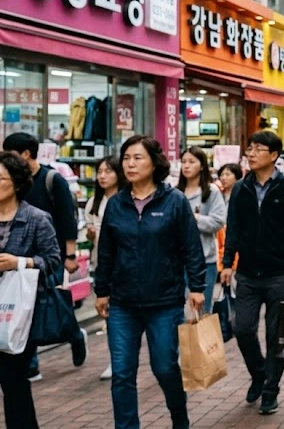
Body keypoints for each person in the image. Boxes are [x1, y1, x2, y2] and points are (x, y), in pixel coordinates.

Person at [93, 136, 206, 429]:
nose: (130, 164)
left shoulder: (174, 202)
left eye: (137, 158)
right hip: (122, 303)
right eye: (126, 158)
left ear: (154, 162)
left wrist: (196, 288)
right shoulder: (116, 205)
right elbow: (106, 251)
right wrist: (101, 290)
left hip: (164, 301)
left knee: (165, 367)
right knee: (122, 373)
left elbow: (191, 248)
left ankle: (179, 416)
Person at [221, 131, 284, 416]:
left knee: (277, 336)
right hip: (247, 272)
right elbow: (232, 227)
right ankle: (259, 374)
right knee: (242, 328)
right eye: (250, 148)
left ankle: (270, 390)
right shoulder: (240, 188)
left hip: (280, 273)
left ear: (274, 155)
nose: (251, 153)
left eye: (258, 149)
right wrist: (226, 263)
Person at [2, 132, 87, 380]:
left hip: (49, 256)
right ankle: (30, 364)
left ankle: (72, 334)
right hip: (13, 262)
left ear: (25, 154)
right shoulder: (11, 186)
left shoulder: (52, 179)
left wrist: (70, 254)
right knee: (22, 309)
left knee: (45, 305)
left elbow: (66, 219)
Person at [0, 151, 62, 429]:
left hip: (19, 313)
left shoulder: (37, 218)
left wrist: (20, 262)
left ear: (16, 182)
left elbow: (52, 261)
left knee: (13, 380)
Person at [84, 156, 128, 381]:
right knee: (111, 315)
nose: (102, 176)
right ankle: (116, 360)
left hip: (126, 265)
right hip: (102, 263)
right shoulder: (93, 203)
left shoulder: (127, 199)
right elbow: (90, 236)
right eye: (99, 171)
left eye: (107, 171)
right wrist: (91, 235)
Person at [177, 147, 226, 312]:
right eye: (183, 162)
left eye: (192, 162)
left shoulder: (211, 191)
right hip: (175, 261)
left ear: (202, 165)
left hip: (204, 260)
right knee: (177, 311)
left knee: (201, 310)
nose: (186, 166)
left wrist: (194, 218)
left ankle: (201, 339)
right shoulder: (175, 192)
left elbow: (218, 221)